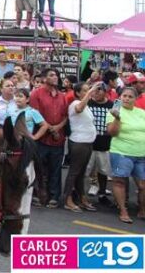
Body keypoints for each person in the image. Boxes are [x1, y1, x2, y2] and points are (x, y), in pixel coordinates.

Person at [30, 68, 69, 208]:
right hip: (41, 138)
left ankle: (54, 196)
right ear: (44, 78)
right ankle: (37, 195)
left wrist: (57, 127)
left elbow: (65, 116)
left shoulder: (61, 96)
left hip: (58, 138)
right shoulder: (36, 94)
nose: (55, 77)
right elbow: (35, 115)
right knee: (39, 168)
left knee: (56, 169)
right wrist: (50, 128)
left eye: (56, 75)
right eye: (52, 75)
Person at [106, 87, 145, 223]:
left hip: (141, 154)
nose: (127, 99)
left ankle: (142, 210)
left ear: (135, 99)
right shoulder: (114, 111)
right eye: (124, 96)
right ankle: (123, 210)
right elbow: (112, 132)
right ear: (120, 97)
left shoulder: (141, 112)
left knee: (142, 185)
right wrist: (117, 118)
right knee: (120, 181)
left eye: (130, 97)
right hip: (122, 152)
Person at [63, 82, 98, 212]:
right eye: (84, 90)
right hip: (79, 143)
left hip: (87, 143)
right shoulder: (74, 104)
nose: (88, 92)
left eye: (88, 90)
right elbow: (79, 109)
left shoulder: (86, 105)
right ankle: (67, 199)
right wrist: (89, 94)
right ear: (77, 93)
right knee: (74, 172)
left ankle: (82, 198)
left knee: (81, 173)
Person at [86, 82, 114, 206]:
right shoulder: (87, 103)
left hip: (105, 143)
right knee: (85, 170)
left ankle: (102, 193)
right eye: (94, 90)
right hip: (88, 142)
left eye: (99, 90)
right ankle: (80, 193)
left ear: (105, 91)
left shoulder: (111, 105)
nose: (96, 93)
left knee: (103, 171)